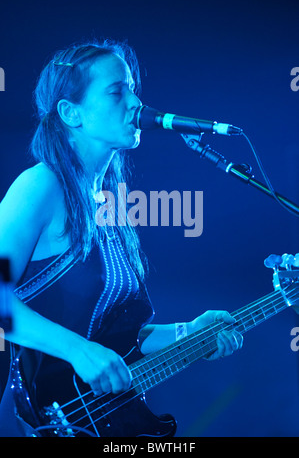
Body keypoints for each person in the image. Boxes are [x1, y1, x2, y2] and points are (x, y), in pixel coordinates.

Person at [0, 39, 243, 437]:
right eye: (117, 91)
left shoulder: (108, 203)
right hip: (35, 419)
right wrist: (79, 351)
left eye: (133, 89)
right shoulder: (40, 185)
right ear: (70, 112)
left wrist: (191, 331)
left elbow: (120, 339)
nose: (135, 103)